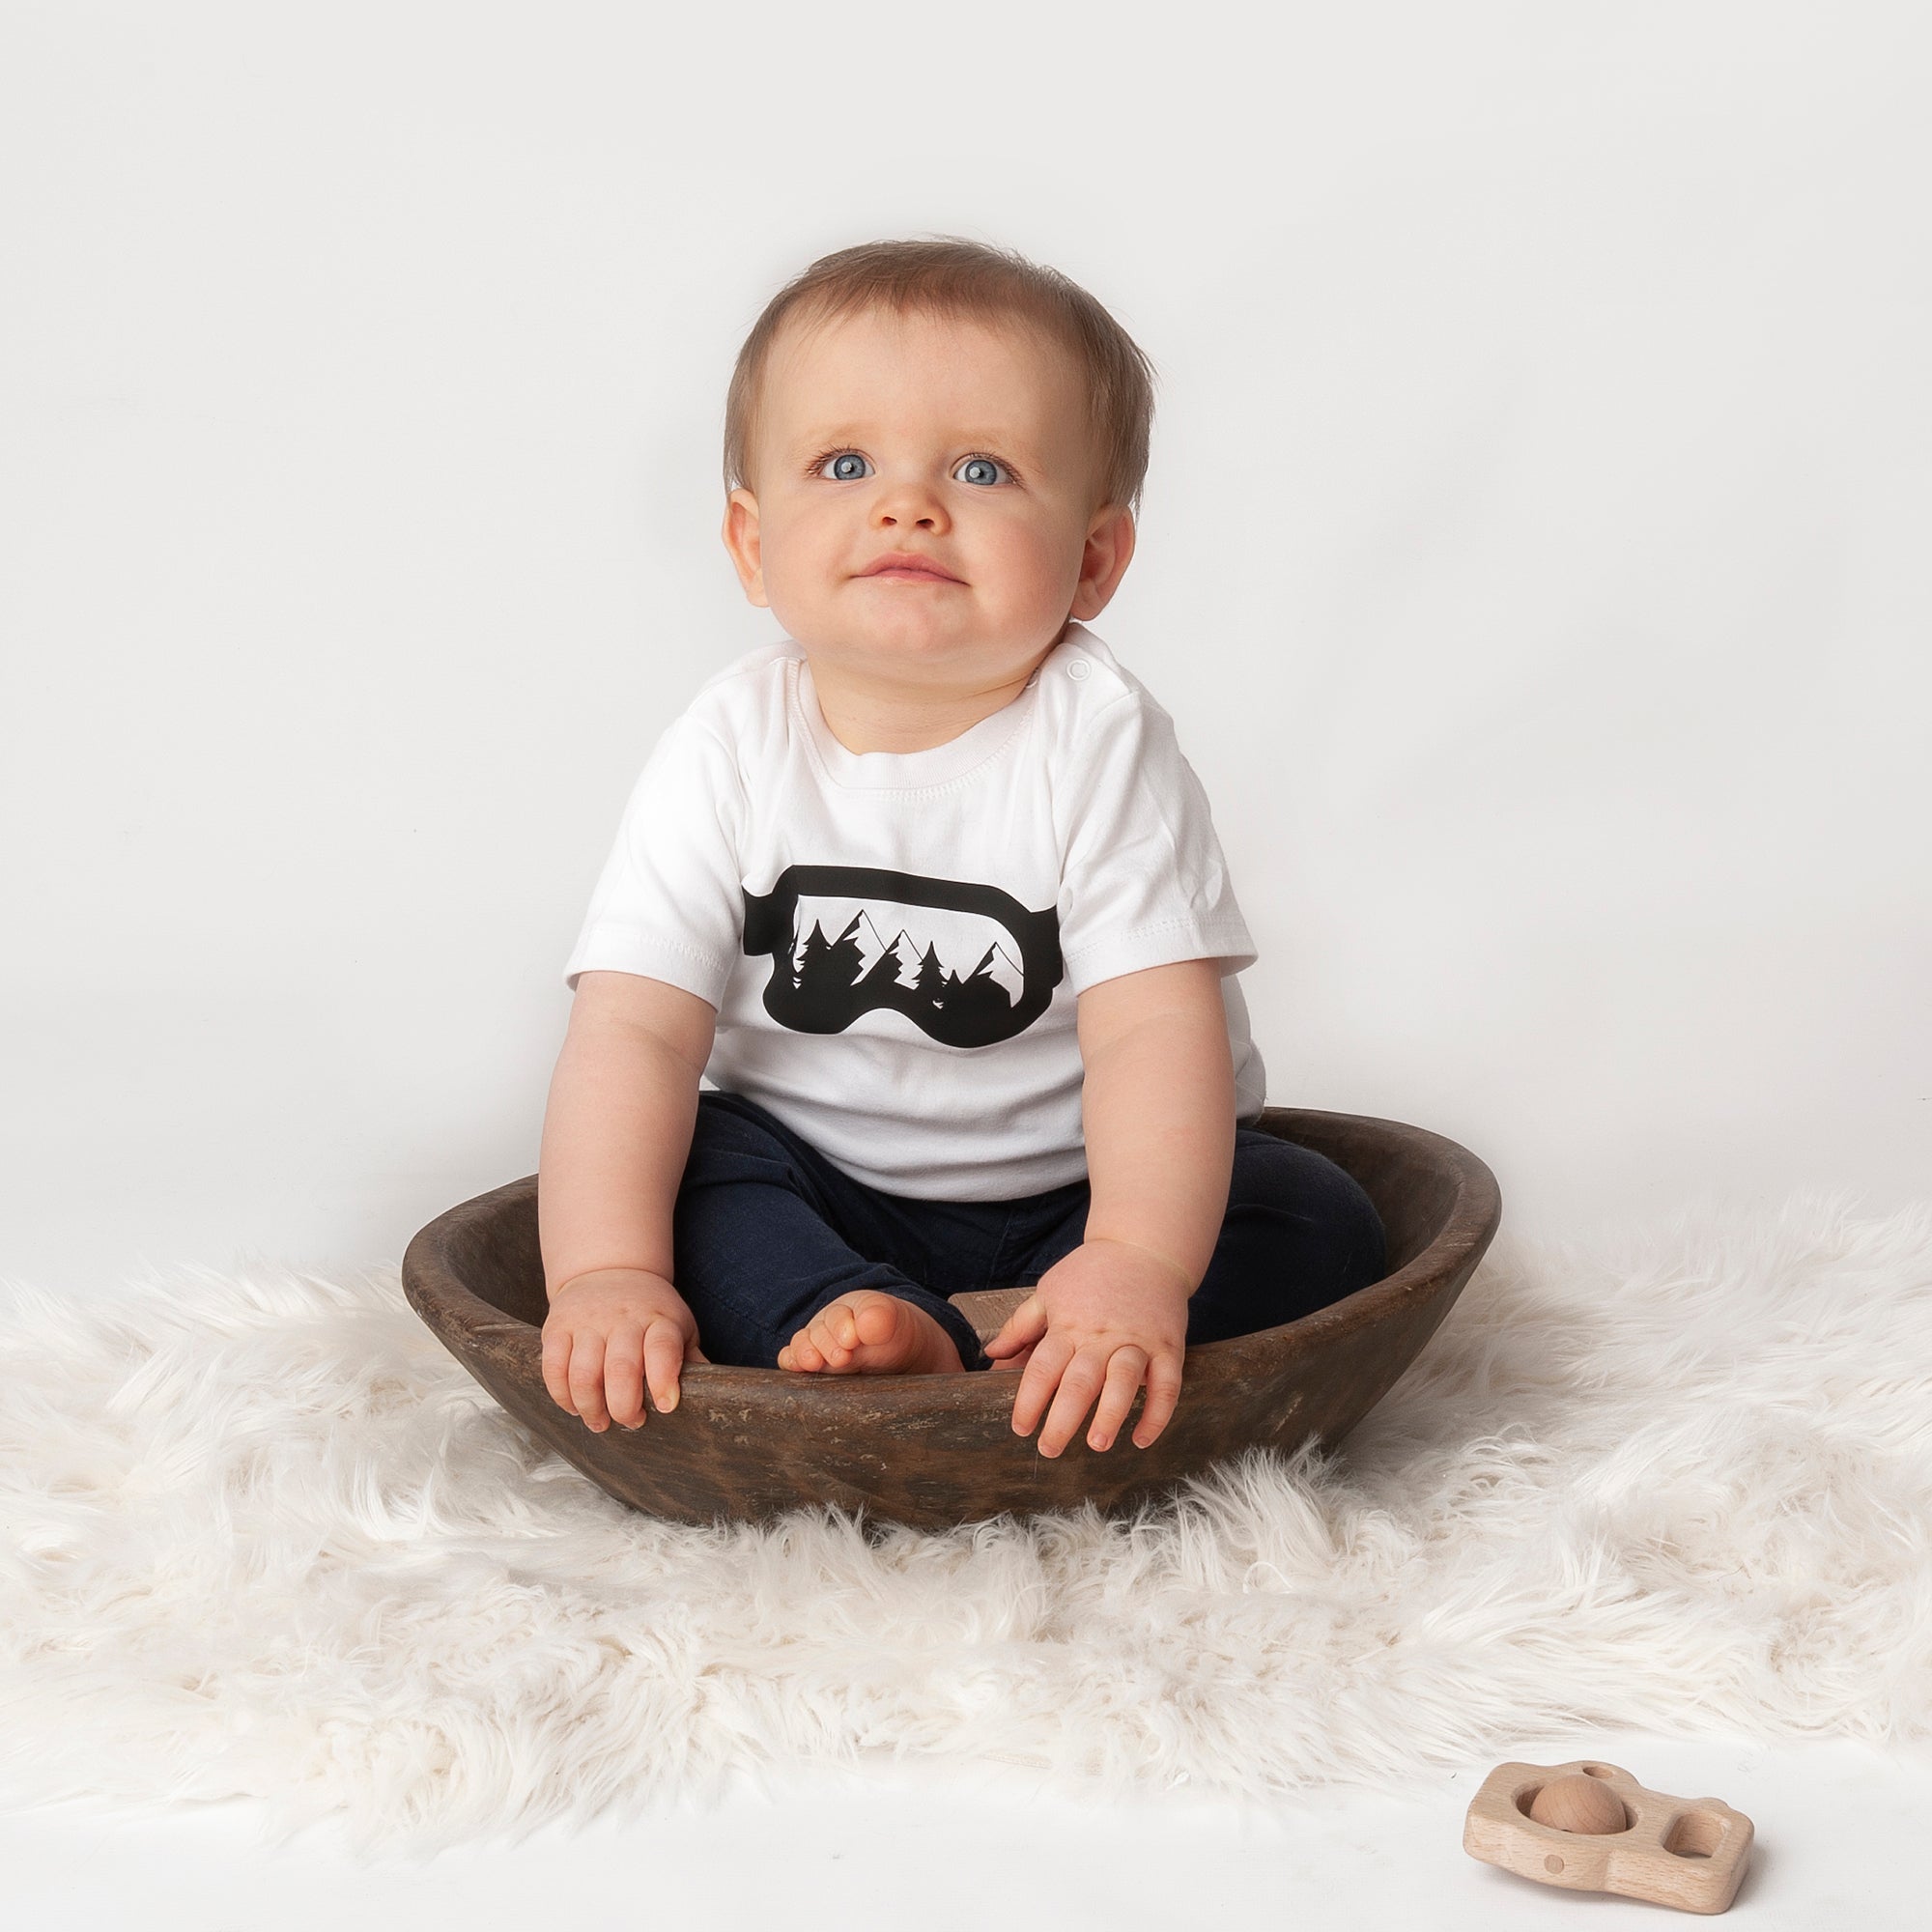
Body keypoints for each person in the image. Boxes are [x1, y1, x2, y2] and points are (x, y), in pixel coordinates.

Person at [537, 237, 1386, 1464]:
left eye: (982, 469)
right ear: (750, 542)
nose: (908, 505)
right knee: (688, 1161)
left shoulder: (1097, 739)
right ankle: (858, 1319)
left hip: (1079, 1190)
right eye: (843, 464)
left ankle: (1050, 1324)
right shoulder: (727, 745)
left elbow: (1151, 1033)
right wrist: (605, 1274)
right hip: (819, 1182)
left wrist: (1135, 1258)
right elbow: (634, 1029)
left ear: (1092, 559)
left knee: (1310, 1214)